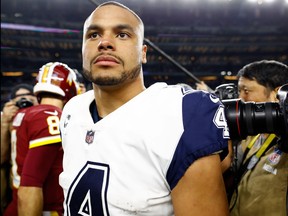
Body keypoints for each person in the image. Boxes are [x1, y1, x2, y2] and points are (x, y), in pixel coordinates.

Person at [59, 2, 230, 216]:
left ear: (143, 53)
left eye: (122, 35)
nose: (104, 43)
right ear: (83, 49)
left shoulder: (181, 112)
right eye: (93, 35)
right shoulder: (72, 109)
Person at [3, 62, 79, 216]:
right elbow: (31, 184)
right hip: (40, 208)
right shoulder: (50, 116)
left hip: (17, 204)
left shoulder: (24, 113)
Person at [229, 60, 288, 216]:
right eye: (239, 91)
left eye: (246, 90)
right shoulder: (253, 136)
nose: (240, 98)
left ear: (277, 94)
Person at [1, 84, 38, 214]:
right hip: (11, 181)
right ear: (11, 102)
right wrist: (5, 123)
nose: (25, 99)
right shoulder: (5, 118)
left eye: (29, 96)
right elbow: (1, 159)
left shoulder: (41, 116)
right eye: (20, 97)